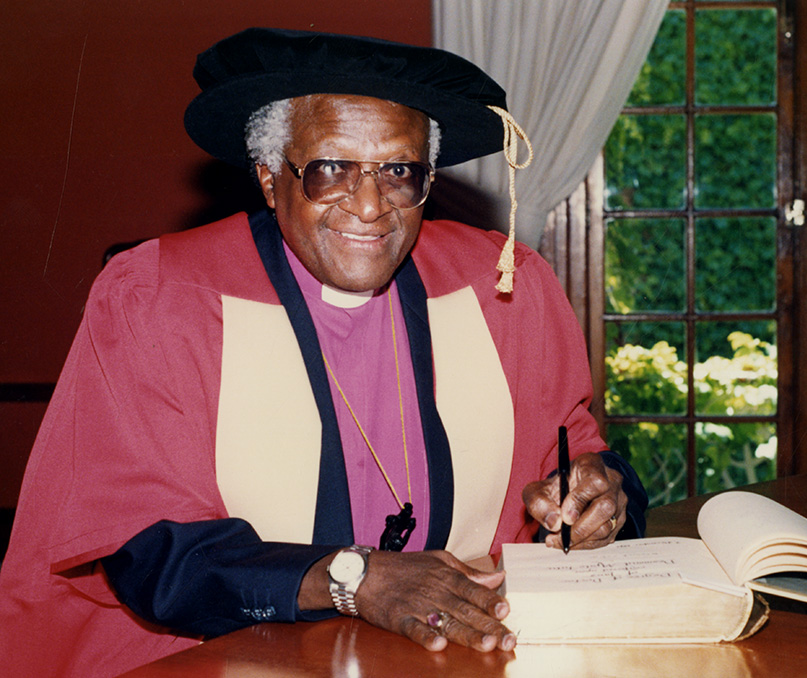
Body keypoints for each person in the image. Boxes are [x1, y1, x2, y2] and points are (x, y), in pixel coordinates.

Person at [0, 28, 647, 677]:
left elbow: (571, 451)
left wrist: (600, 494)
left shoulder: (505, 288)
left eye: (399, 172)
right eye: (331, 169)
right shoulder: (161, 298)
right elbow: (144, 553)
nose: (370, 206)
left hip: (460, 659)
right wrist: (352, 579)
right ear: (269, 178)